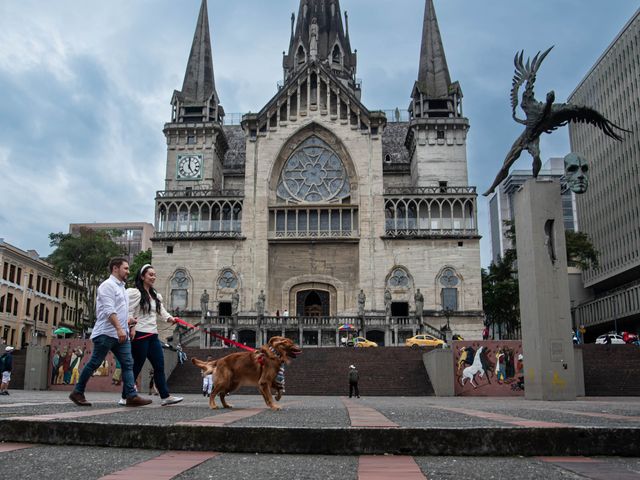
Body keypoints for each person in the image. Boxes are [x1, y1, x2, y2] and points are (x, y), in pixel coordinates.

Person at [69, 257, 152, 408]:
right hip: (106, 333)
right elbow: (109, 310)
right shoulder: (107, 286)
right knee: (95, 362)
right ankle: (77, 392)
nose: (128, 271)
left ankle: (131, 396)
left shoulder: (121, 287)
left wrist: (129, 324)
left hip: (121, 334)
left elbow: (121, 311)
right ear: (115, 268)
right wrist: (119, 328)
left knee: (128, 363)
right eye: (125, 268)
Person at [119, 264, 183, 407]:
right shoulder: (135, 293)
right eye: (150, 275)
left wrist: (171, 318)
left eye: (154, 275)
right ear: (142, 277)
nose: (153, 277)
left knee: (159, 365)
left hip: (153, 335)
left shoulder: (155, 295)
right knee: (137, 366)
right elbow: (128, 311)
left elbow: (162, 312)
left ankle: (165, 396)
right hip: (140, 334)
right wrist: (131, 326)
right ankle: (125, 396)